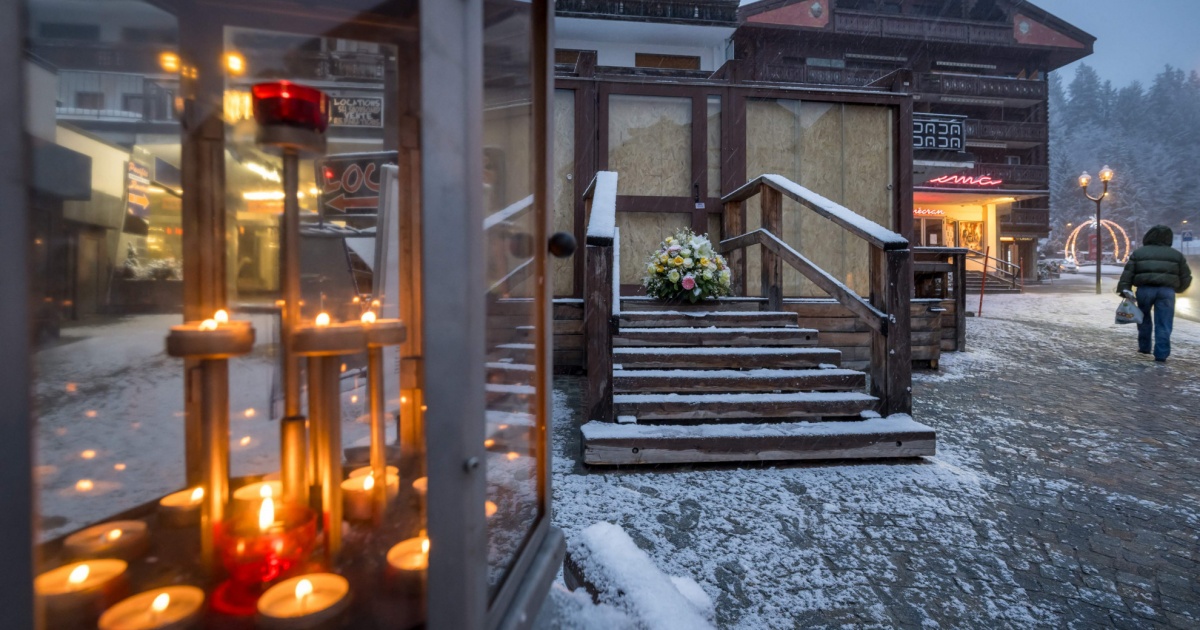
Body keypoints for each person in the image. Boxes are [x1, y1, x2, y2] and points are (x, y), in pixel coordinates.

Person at [1116, 225, 1193, 362]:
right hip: (1166, 291)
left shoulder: (1139, 253)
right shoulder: (1176, 255)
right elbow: (1186, 277)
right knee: (1164, 322)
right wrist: (1178, 288)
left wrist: (1125, 289)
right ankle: (1161, 354)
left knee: (1143, 318)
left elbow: (1128, 274)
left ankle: (1145, 347)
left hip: (1145, 290)